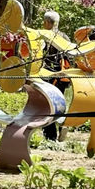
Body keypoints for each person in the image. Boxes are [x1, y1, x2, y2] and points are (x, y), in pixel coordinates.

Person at [41, 11, 70, 141]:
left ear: (47, 22)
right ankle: (63, 123)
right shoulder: (65, 37)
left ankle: (50, 136)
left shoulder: (45, 37)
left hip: (48, 76)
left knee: (48, 104)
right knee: (60, 103)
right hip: (62, 76)